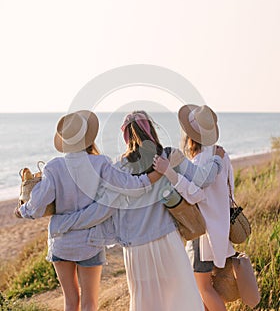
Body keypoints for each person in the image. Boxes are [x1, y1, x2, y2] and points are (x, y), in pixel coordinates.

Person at [49, 110, 225, 311]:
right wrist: (217, 159)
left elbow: (103, 211)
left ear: (125, 136)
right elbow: (204, 179)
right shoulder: (169, 156)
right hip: (167, 240)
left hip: (135, 248)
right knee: (180, 300)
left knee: (146, 304)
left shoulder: (117, 167)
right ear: (151, 129)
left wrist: (66, 223)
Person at [15, 110, 165, 311]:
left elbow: (37, 203)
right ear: (87, 137)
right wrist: (156, 175)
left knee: (70, 301)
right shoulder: (100, 163)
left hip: (62, 240)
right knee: (90, 303)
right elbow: (129, 185)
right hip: (91, 241)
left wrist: (22, 211)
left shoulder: (54, 167)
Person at [153, 105, 236, 311]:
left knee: (204, 289)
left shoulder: (200, 161)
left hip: (203, 234)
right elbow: (230, 191)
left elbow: (194, 193)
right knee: (206, 292)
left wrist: (169, 173)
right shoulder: (221, 155)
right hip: (220, 230)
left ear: (190, 136)